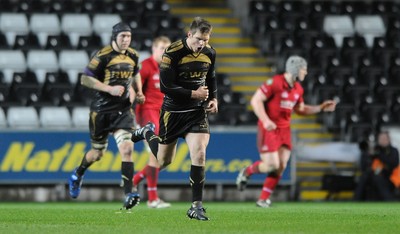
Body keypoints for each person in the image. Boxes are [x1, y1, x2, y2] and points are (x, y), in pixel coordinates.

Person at [131, 17, 217, 220]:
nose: (201, 44)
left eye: (205, 39)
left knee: (200, 153)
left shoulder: (210, 53)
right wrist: (193, 94)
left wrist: (213, 98)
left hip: (196, 113)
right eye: (198, 39)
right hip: (173, 112)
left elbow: (211, 76)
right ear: (189, 35)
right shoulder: (172, 52)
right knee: (163, 160)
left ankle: (196, 206)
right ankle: (146, 132)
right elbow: (165, 87)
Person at [236, 55, 336, 207]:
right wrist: (266, 120)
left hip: (284, 130)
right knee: (272, 165)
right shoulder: (274, 83)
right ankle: (247, 171)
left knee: (281, 165)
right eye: (304, 69)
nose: (306, 73)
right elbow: (256, 101)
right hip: (268, 129)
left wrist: (321, 108)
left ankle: (263, 199)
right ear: (295, 69)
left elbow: (301, 110)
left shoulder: (298, 89)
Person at [68, 22, 145, 210]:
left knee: (127, 149)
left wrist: (139, 91)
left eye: (128, 36)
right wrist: (109, 89)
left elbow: (136, 74)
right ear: (114, 37)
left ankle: (129, 194)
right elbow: (85, 78)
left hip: (123, 111)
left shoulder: (134, 55)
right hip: (101, 112)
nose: (126, 40)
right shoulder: (103, 55)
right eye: (122, 37)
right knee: (97, 154)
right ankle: (77, 174)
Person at [133, 36, 172, 209]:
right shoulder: (146, 66)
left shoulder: (169, 68)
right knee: (157, 155)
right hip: (148, 114)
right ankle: (152, 198)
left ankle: (133, 181)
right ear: (153, 49)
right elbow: (134, 88)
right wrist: (128, 108)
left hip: (163, 115)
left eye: (167, 48)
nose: (165, 51)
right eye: (162, 48)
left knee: (164, 160)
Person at [354, 131, 399, 201]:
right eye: (381, 138)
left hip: (389, 178)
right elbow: (363, 167)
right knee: (364, 176)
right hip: (372, 177)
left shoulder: (393, 151)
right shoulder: (373, 150)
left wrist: (378, 155)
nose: (383, 140)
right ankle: (355, 202)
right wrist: (367, 154)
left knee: (378, 178)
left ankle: (389, 201)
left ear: (389, 139)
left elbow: (393, 163)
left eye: (384, 138)